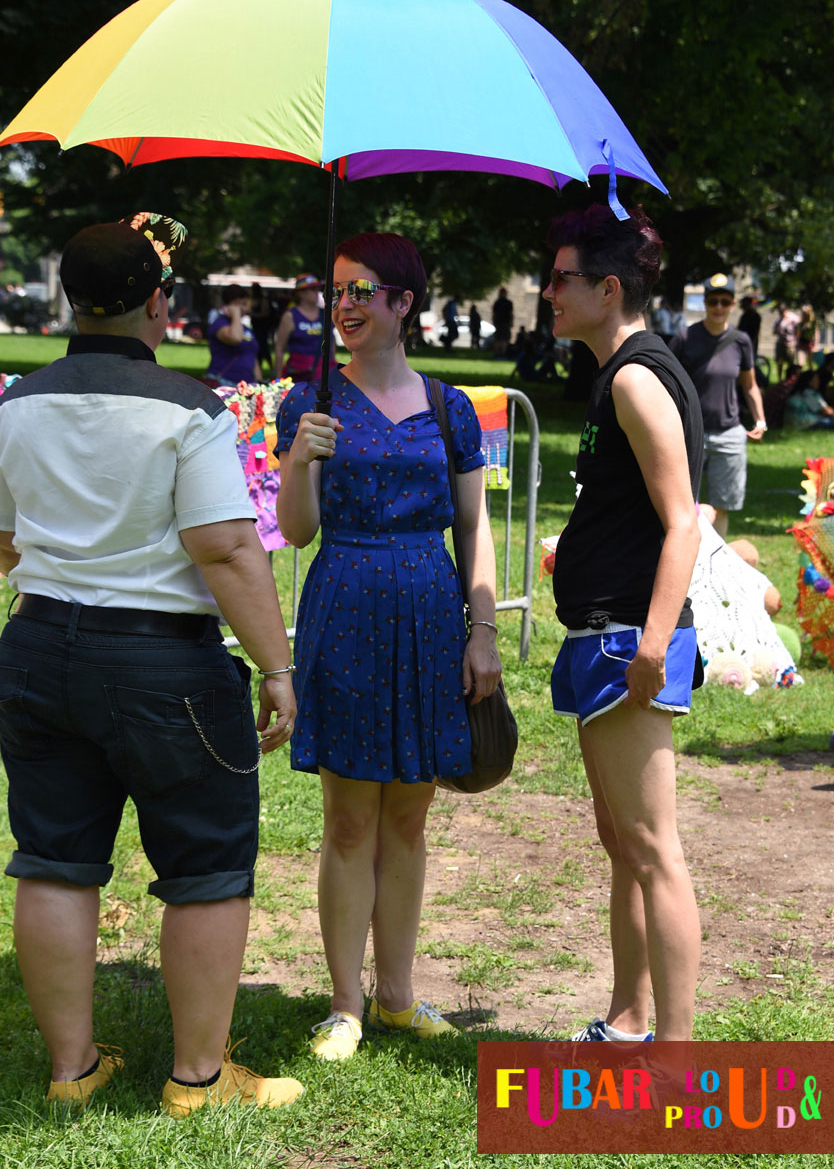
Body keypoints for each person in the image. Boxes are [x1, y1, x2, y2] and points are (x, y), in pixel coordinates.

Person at [0, 214, 302, 1116]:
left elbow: (6, 540)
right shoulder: (190, 408)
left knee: (52, 858)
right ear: (158, 302)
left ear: (67, 300)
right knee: (207, 865)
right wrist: (279, 667)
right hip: (164, 663)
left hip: (38, 648)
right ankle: (197, 1081)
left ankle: (73, 1069)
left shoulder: (14, 403)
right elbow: (225, 549)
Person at [275, 232, 501, 1061]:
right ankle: (345, 1004)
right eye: (336, 289)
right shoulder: (313, 402)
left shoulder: (452, 408)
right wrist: (301, 458)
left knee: (408, 816)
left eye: (364, 289)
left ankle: (399, 996)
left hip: (431, 614)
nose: (346, 304)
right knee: (346, 820)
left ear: (405, 302)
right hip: (344, 603)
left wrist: (482, 630)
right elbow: (296, 533)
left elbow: (473, 529)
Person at [545, 203, 704, 1043]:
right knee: (624, 843)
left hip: (623, 643)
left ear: (609, 289)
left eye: (563, 278)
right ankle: (630, 1017)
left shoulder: (639, 377)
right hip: (601, 634)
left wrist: (650, 640)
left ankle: (675, 1060)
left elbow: (684, 519)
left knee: (651, 849)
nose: (548, 292)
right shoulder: (622, 372)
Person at [670, 274, 766, 539]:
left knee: (722, 506)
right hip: (691, 434)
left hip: (729, 434)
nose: (719, 307)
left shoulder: (741, 341)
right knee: (684, 505)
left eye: (725, 302)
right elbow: (666, 385)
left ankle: (715, 562)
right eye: (713, 301)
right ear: (705, 303)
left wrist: (760, 421)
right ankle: (689, 561)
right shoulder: (684, 338)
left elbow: (749, 385)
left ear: (733, 304)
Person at [273, 273, 333, 382]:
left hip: (325, 373)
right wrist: (278, 378)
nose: (317, 292)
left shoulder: (326, 314)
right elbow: (279, 347)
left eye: (318, 289)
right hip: (300, 375)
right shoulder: (290, 316)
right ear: (300, 293)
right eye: (312, 289)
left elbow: (331, 342)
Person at [205, 283, 261, 386]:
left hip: (246, 385)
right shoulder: (220, 324)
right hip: (223, 382)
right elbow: (236, 338)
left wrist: (259, 382)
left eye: (244, 304)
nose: (242, 308)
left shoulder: (247, 329)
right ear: (227, 305)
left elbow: (253, 356)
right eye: (237, 304)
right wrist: (235, 314)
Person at [249, 282, 277, 376]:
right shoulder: (253, 300)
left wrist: (253, 315)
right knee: (258, 348)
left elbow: (265, 313)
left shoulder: (263, 300)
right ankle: (259, 368)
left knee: (263, 347)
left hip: (262, 327)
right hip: (256, 327)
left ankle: (271, 367)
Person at [773, 303, 801, 380]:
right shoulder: (778, 320)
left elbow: (799, 329)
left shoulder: (794, 318)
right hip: (780, 343)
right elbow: (774, 331)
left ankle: (791, 379)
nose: (781, 314)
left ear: (786, 310)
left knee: (791, 362)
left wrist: (797, 339)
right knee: (779, 362)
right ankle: (779, 379)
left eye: (782, 312)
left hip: (790, 343)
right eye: (780, 312)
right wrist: (777, 331)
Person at [491, 286, 513, 357]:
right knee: (504, 339)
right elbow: (511, 314)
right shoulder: (508, 303)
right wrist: (511, 322)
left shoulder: (497, 303)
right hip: (505, 323)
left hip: (499, 323)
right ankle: (502, 354)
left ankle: (497, 354)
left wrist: (494, 322)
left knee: (498, 339)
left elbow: (494, 314)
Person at [797, 304, 819, 369]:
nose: (803, 314)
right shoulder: (800, 323)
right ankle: (799, 376)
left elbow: (816, 334)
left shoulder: (813, 322)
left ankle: (810, 376)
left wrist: (815, 344)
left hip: (809, 343)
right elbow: (798, 334)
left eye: (804, 313)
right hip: (801, 343)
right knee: (800, 363)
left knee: (810, 363)